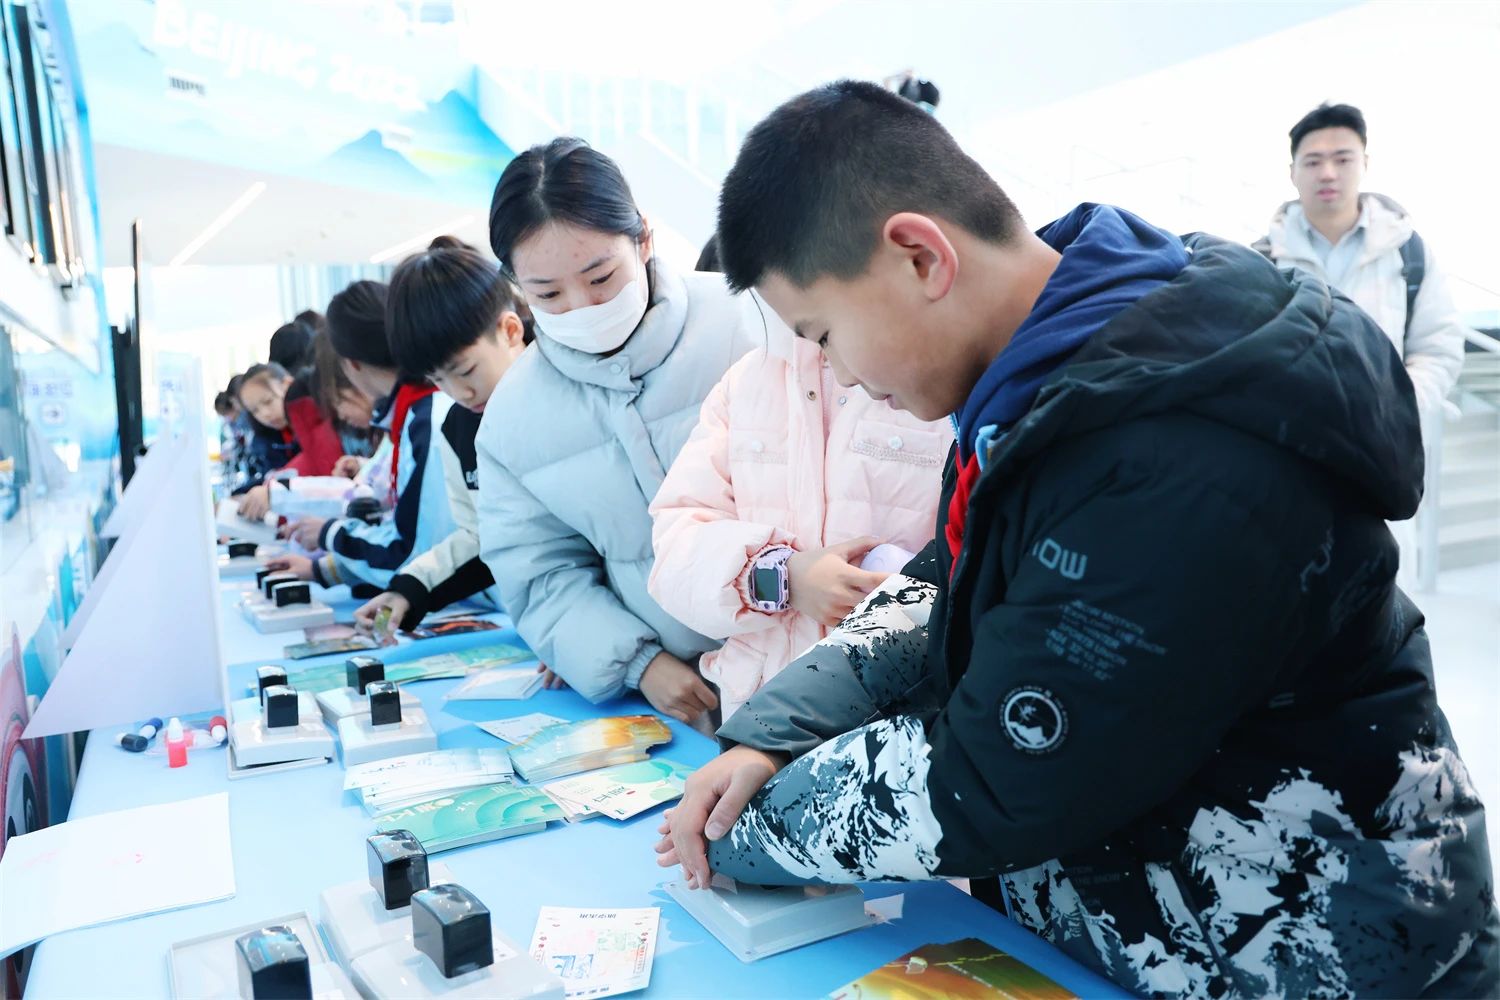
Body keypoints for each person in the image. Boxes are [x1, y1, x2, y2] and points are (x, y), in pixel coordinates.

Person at [655, 81, 1498, 998]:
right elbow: (946, 587)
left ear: (920, 256)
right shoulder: (1053, 376)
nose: (840, 374)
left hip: (1321, 958)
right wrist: (773, 737)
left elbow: (994, 778)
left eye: (824, 333)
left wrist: (737, 830)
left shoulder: (1174, 454)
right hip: (1153, 929)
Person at [477, 137, 763, 723]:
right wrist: (639, 663)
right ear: (517, 286)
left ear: (643, 239)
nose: (582, 305)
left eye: (601, 277)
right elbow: (540, 572)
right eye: (548, 294)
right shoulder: (513, 419)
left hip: (815, 659)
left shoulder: (748, 321)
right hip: (684, 696)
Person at [647, 239, 950, 722]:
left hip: (895, 712)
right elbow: (676, 545)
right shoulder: (743, 385)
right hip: (760, 706)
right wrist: (781, 576)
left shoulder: (934, 371)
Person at [352, 236, 527, 632]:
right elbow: (482, 538)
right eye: (438, 379)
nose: (459, 393)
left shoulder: (572, 396)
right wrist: (409, 591)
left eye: (465, 371)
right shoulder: (458, 428)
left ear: (510, 330)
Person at [1258, 103, 1468, 424]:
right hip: (1291, 436)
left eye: (1342, 159)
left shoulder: (1407, 250)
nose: (1328, 173)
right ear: (1292, 172)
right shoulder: (1262, 260)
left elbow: (1438, 345)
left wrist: (1398, 408)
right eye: (1313, 162)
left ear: (1365, 163)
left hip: (1387, 437)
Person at [270, 280, 456, 595]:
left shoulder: (426, 421)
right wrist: (324, 569)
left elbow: (411, 552)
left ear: (351, 365)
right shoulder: (415, 416)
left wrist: (331, 534)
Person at [233, 360, 345, 518]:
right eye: (255, 411)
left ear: (287, 384)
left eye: (268, 401)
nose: (265, 414)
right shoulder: (271, 439)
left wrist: (274, 491)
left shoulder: (315, 418)